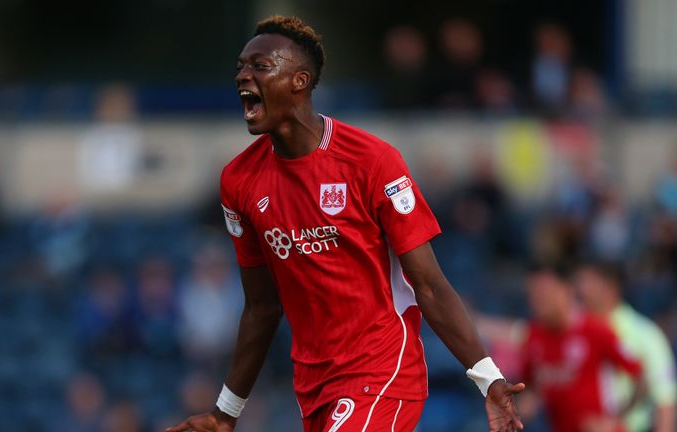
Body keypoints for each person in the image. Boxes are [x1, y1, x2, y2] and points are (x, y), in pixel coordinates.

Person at [167, 16, 523, 432]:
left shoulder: (371, 161)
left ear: (299, 81)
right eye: (241, 67)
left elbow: (428, 283)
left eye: (259, 66)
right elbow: (262, 307)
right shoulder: (239, 181)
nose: (243, 76)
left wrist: (487, 377)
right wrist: (225, 412)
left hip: (383, 371)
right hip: (314, 385)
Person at [521, 264, 645, 432]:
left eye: (544, 295)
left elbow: (640, 377)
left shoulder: (595, 330)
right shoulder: (533, 335)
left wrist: (614, 420)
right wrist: (526, 405)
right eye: (533, 297)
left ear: (566, 290)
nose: (538, 303)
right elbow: (531, 387)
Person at [576, 261, 676, 432]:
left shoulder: (645, 334)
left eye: (587, 282)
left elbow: (665, 399)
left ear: (610, 287)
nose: (580, 290)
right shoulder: (571, 332)